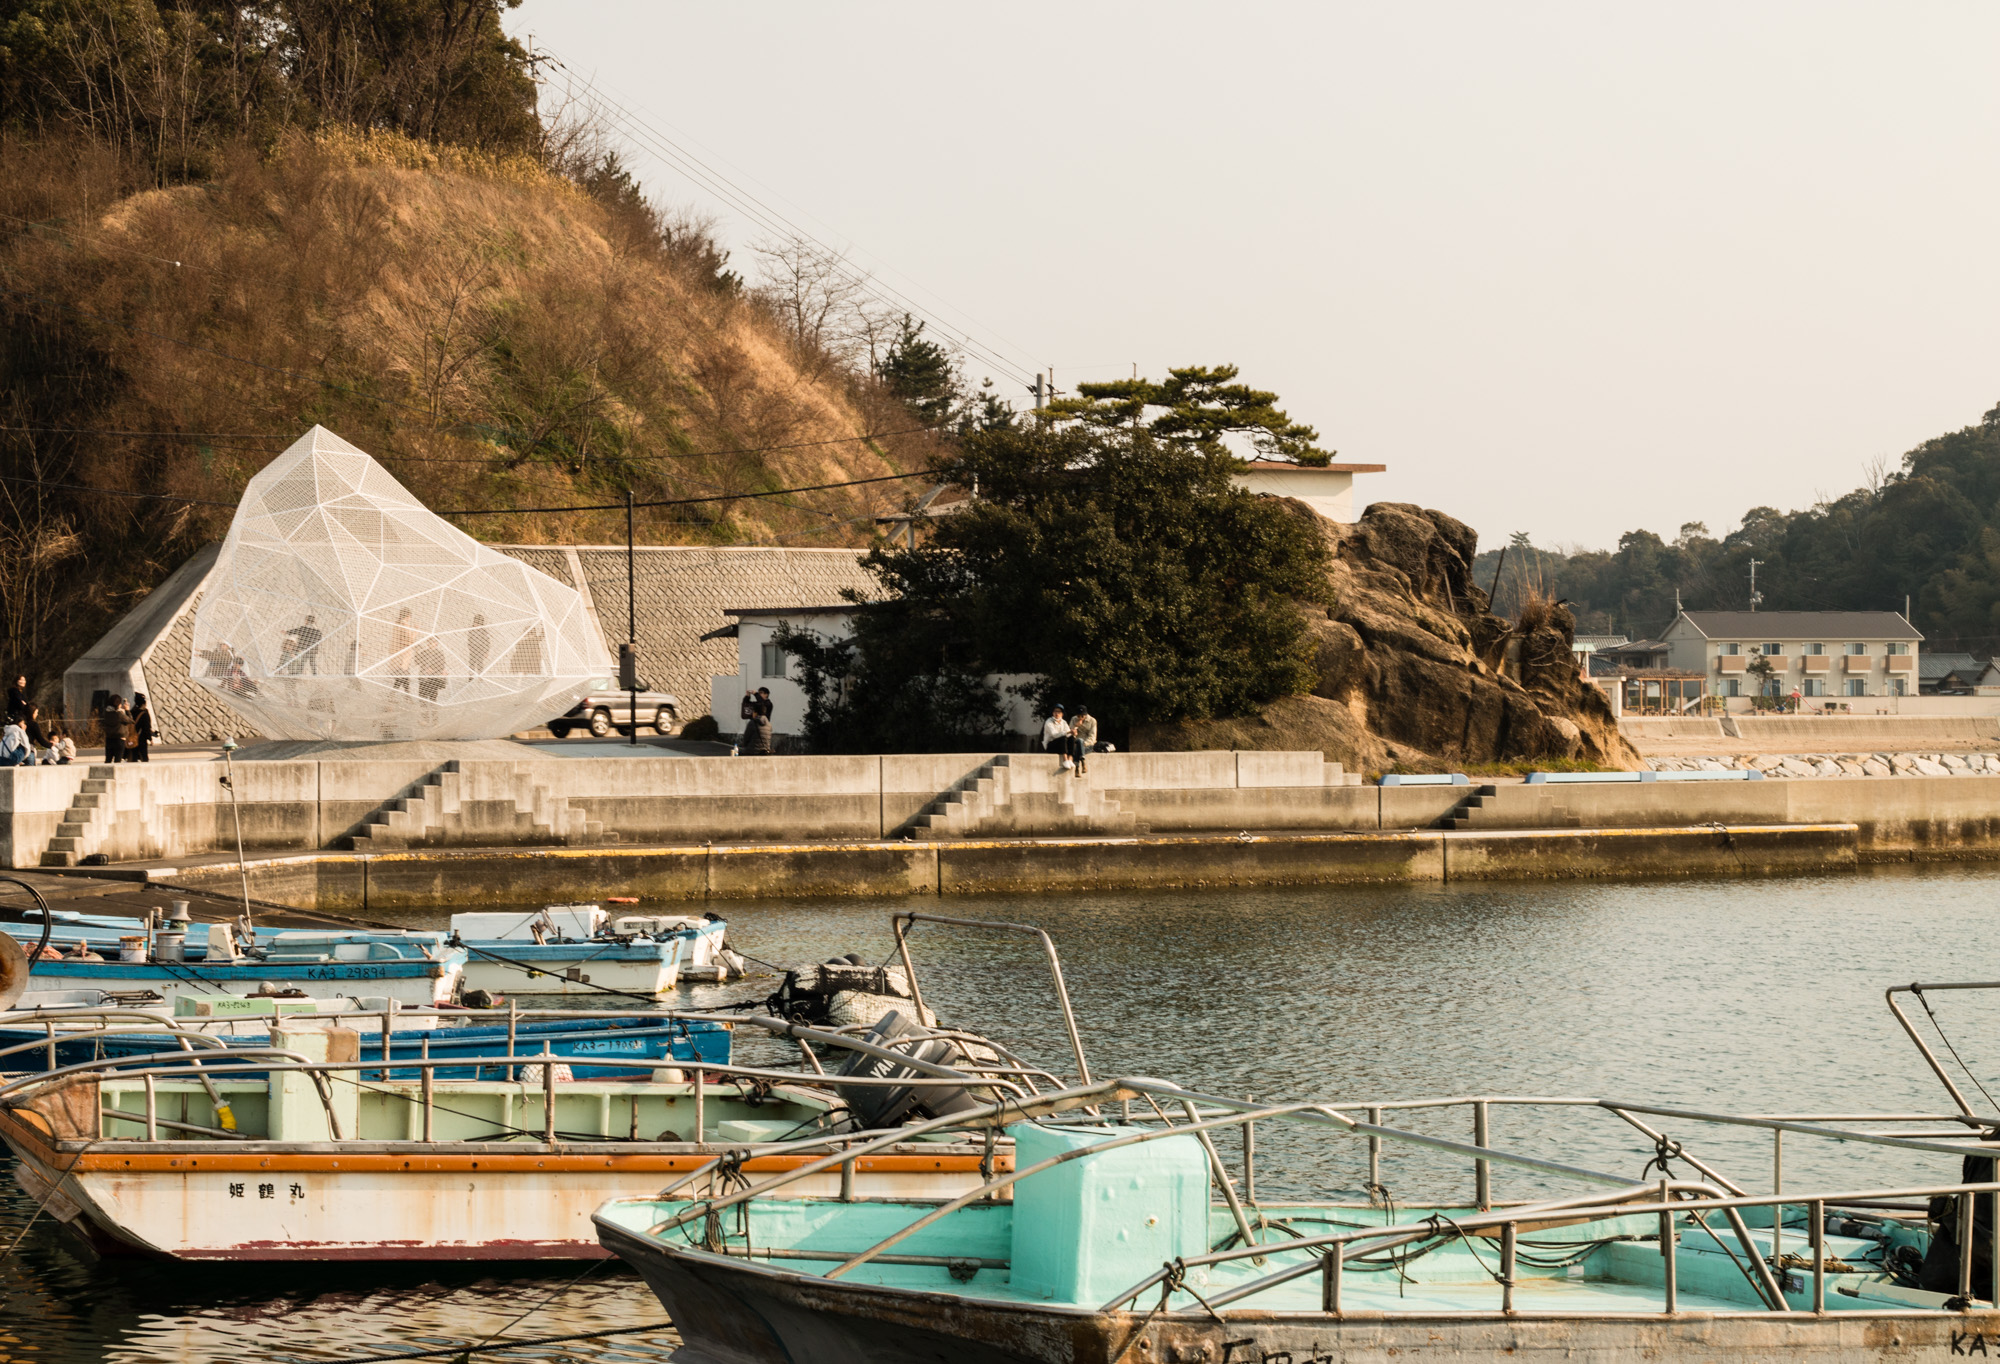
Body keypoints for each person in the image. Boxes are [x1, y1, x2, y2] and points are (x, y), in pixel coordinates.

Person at [391, 609, 417, 693]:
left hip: (398, 651)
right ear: (408, 616)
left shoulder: (397, 624)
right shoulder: (404, 624)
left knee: (404, 674)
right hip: (404, 653)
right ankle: (394, 693)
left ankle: (406, 693)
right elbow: (410, 640)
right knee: (402, 673)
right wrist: (416, 631)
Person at [744, 687, 775, 755]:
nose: (759, 694)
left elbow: (762, 704)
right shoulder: (759, 703)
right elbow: (747, 706)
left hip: (760, 727)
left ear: (766, 694)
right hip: (757, 726)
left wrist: (756, 694)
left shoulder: (768, 704)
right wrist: (747, 697)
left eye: (761, 693)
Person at [129, 693, 157, 762]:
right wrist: (150, 738)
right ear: (144, 703)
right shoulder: (144, 713)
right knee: (144, 758)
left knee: (133, 757)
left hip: (132, 738)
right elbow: (146, 727)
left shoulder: (132, 712)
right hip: (141, 739)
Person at [1072, 705, 1099, 775]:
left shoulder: (1092, 721)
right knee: (1079, 742)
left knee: (1080, 743)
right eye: (1078, 716)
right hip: (1076, 743)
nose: (1080, 718)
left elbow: (1092, 737)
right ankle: (1083, 763)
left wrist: (1083, 744)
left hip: (1088, 744)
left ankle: (1077, 767)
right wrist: (1076, 726)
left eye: (1082, 716)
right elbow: (1070, 733)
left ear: (1085, 715)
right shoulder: (1074, 719)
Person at [102, 696, 128, 764]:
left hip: (109, 738)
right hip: (119, 739)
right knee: (118, 760)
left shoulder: (106, 713)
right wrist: (126, 711)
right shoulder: (120, 714)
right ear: (118, 704)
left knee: (108, 760)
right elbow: (130, 721)